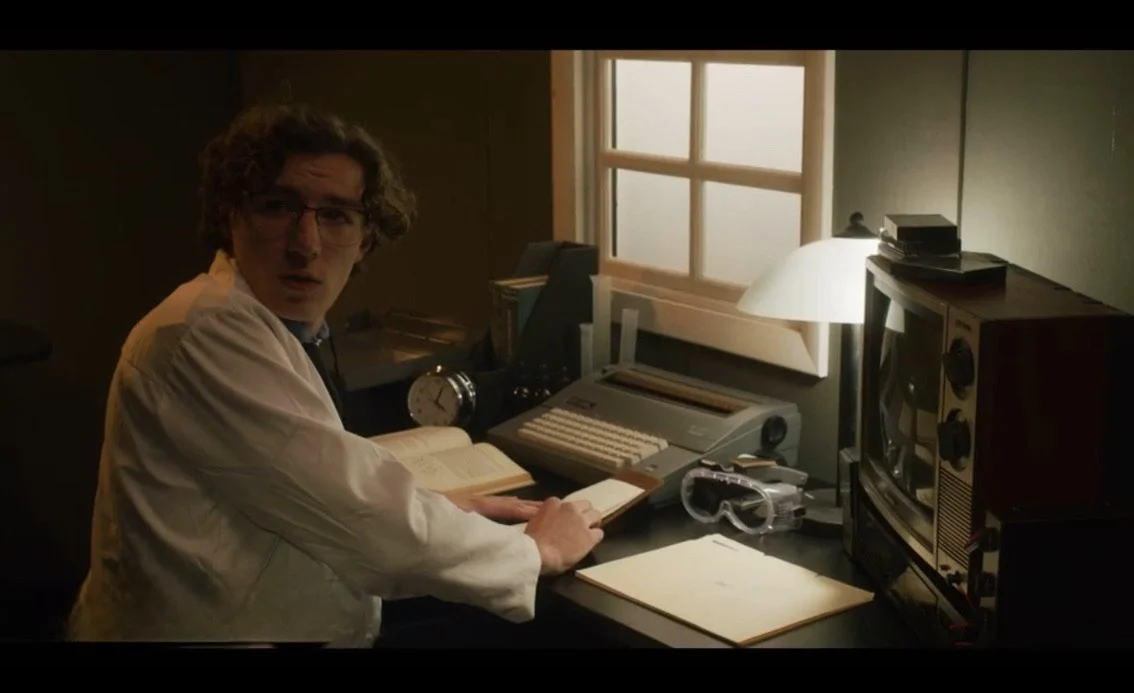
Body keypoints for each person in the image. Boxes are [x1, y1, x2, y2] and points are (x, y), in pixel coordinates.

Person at [66, 103, 604, 647]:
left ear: (366, 237)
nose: (306, 244)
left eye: (335, 216)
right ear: (232, 218)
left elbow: (306, 473)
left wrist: (438, 507)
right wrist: (536, 551)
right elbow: (360, 511)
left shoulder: (266, 324)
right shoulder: (204, 332)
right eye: (278, 207)